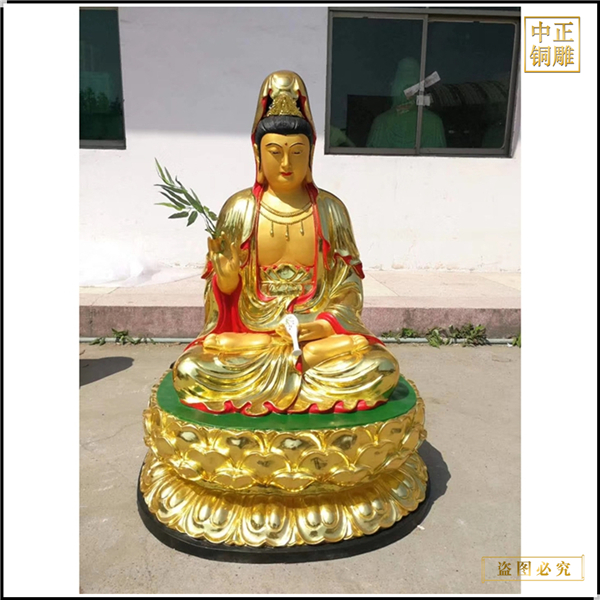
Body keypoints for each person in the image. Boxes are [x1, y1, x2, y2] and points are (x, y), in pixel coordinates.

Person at [173, 71, 400, 416]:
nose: (285, 164)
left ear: (310, 154)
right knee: (190, 371)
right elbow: (219, 302)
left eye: (297, 152)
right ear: (257, 153)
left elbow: (349, 288)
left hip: (315, 336)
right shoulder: (240, 209)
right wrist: (227, 281)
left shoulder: (330, 210)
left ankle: (297, 361)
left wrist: (322, 325)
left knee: (380, 368)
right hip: (254, 335)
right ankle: (295, 364)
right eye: (274, 151)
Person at [367, 57, 446, 149]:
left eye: (412, 76)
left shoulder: (434, 124)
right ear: (393, 84)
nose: (408, 81)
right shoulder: (382, 124)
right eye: (402, 76)